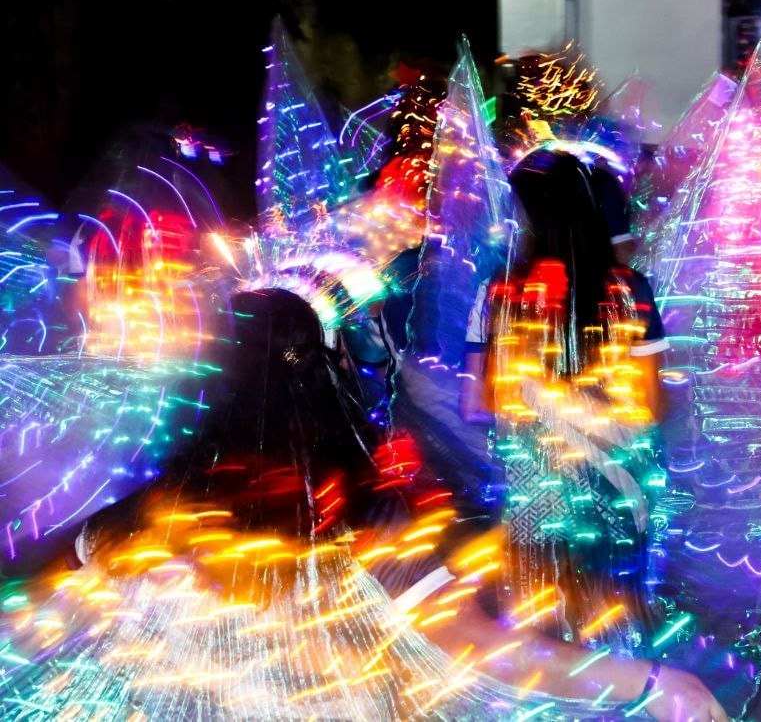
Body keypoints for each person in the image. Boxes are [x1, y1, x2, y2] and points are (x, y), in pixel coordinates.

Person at [4, 287, 723, 720]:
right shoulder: (363, 516)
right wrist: (656, 682)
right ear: (328, 375)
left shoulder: (137, 519)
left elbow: (33, 626)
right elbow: (484, 651)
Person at [460, 148, 670, 655]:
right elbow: (651, 406)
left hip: (535, 494)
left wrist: (537, 399)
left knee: (543, 632)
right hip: (616, 481)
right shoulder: (631, 291)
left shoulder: (499, 293)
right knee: (616, 619)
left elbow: (475, 403)